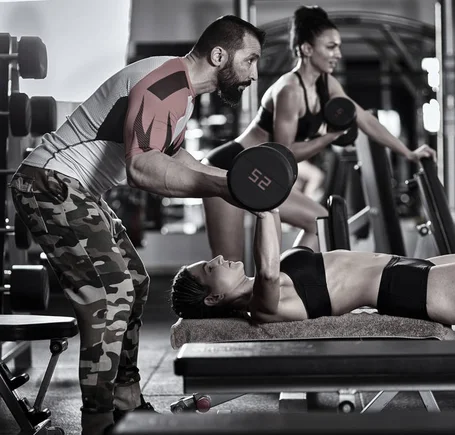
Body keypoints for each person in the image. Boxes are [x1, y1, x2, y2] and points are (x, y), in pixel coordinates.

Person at [9, 15, 266, 435]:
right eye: (250, 60)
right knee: (112, 292)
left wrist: (232, 184)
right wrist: (220, 189)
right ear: (220, 55)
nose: (254, 73)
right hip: (49, 182)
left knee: (136, 280)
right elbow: (144, 168)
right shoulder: (165, 83)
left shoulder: (182, 96)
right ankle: (98, 421)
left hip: (76, 190)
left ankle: (127, 402)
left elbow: (179, 160)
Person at [170, 208, 455, 411]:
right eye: (209, 268)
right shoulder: (262, 306)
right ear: (213, 299)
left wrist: (266, 195)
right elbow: (270, 270)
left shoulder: (263, 281)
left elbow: (293, 227)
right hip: (410, 288)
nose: (217, 257)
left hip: (409, 268)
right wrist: (261, 212)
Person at [201, 5, 435, 260]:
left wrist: (409, 153)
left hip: (262, 172)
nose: (338, 54)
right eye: (331, 47)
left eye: (338, 46)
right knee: (227, 265)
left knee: (319, 221)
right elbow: (284, 154)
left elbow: (365, 120)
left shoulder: (326, 83)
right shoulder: (289, 89)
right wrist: (329, 137)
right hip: (228, 167)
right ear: (307, 49)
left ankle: (285, 281)